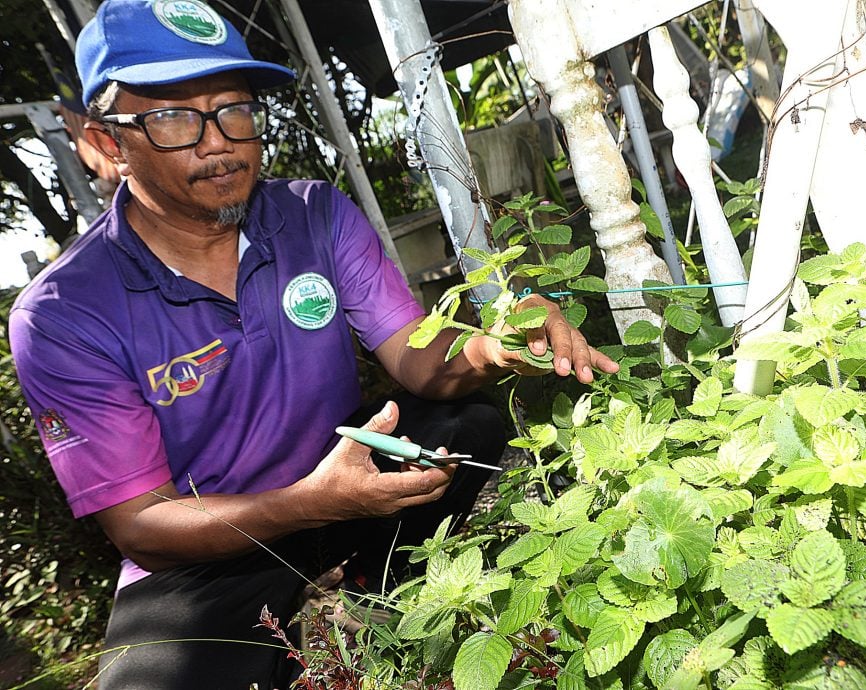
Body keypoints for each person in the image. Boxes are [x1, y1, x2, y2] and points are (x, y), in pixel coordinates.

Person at [8, 1, 619, 687]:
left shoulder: (313, 215)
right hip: (216, 541)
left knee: (465, 423)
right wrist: (311, 502)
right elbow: (142, 526)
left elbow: (415, 354)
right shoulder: (65, 314)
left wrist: (493, 343)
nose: (220, 142)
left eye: (233, 109)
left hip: (346, 473)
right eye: (174, 117)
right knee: (154, 681)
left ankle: (365, 591)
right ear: (110, 143)